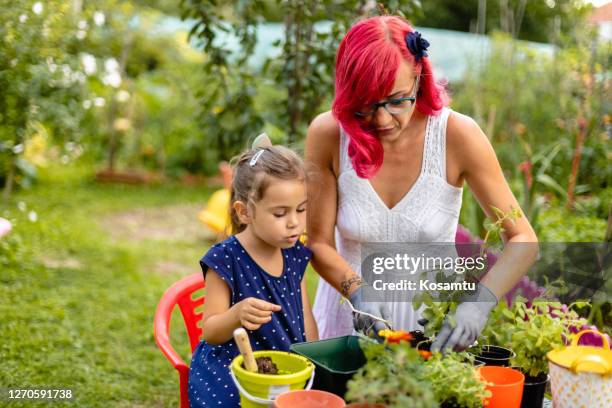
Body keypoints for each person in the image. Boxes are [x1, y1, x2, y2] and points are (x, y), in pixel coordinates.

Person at [306, 15, 538, 351]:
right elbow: (318, 243)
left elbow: (523, 237)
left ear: (419, 77)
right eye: (366, 107)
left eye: (397, 100)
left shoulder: (456, 135)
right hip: (349, 315)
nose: (383, 119)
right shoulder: (328, 134)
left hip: (433, 322)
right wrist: (356, 289)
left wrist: (479, 303)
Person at [188, 136, 318, 408]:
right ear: (244, 212)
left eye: (301, 209)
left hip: (284, 364)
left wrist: (312, 359)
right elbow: (210, 331)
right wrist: (236, 314)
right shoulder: (225, 258)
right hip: (231, 369)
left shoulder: (295, 254)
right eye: (280, 214)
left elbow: (305, 316)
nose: (294, 223)